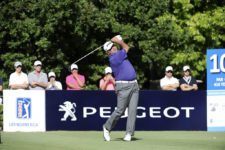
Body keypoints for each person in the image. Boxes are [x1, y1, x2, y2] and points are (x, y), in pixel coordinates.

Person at [102, 35, 139, 142]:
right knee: (120, 110)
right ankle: (107, 127)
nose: (113, 48)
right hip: (123, 86)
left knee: (132, 111)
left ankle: (129, 133)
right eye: (110, 48)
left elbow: (124, 49)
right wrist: (119, 41)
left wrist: (116, 41)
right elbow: (127, 48)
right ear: (107, 53)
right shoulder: (114, 58)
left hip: (134, 85)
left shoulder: (119, 54)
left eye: (113, 46)